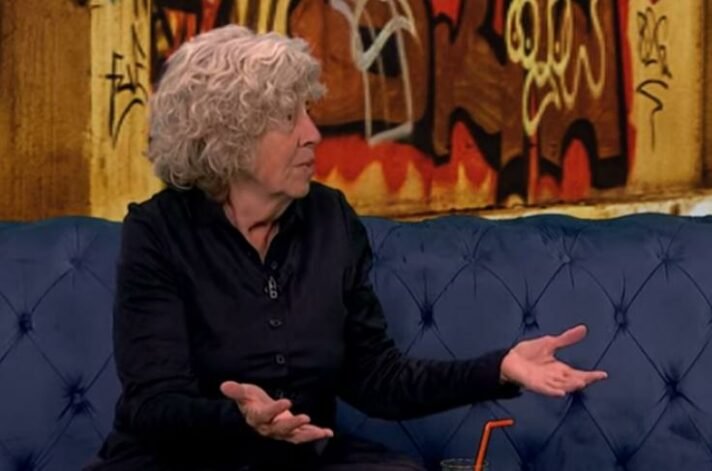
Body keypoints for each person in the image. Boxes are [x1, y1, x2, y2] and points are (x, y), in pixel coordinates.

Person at [87, 25, 607, 471]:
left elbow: (379, 379)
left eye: (308, 113)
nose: (313, 134)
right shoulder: (158, 232)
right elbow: (154, 404)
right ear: (227, 136)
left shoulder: (330, 218)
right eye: (288, 118)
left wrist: (499, 368)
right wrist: (240, 418)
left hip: (301, 457)